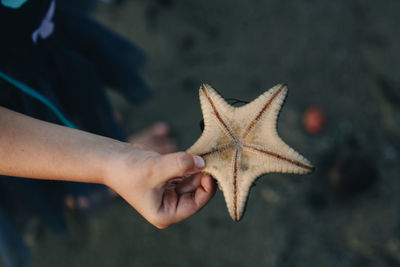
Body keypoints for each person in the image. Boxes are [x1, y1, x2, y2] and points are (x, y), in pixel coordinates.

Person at [0, 1, 215, 266]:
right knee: (30, 186)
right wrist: (112, 165)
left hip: (40, 30)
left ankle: (104, 147)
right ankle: (92, 178)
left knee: (74, 99)